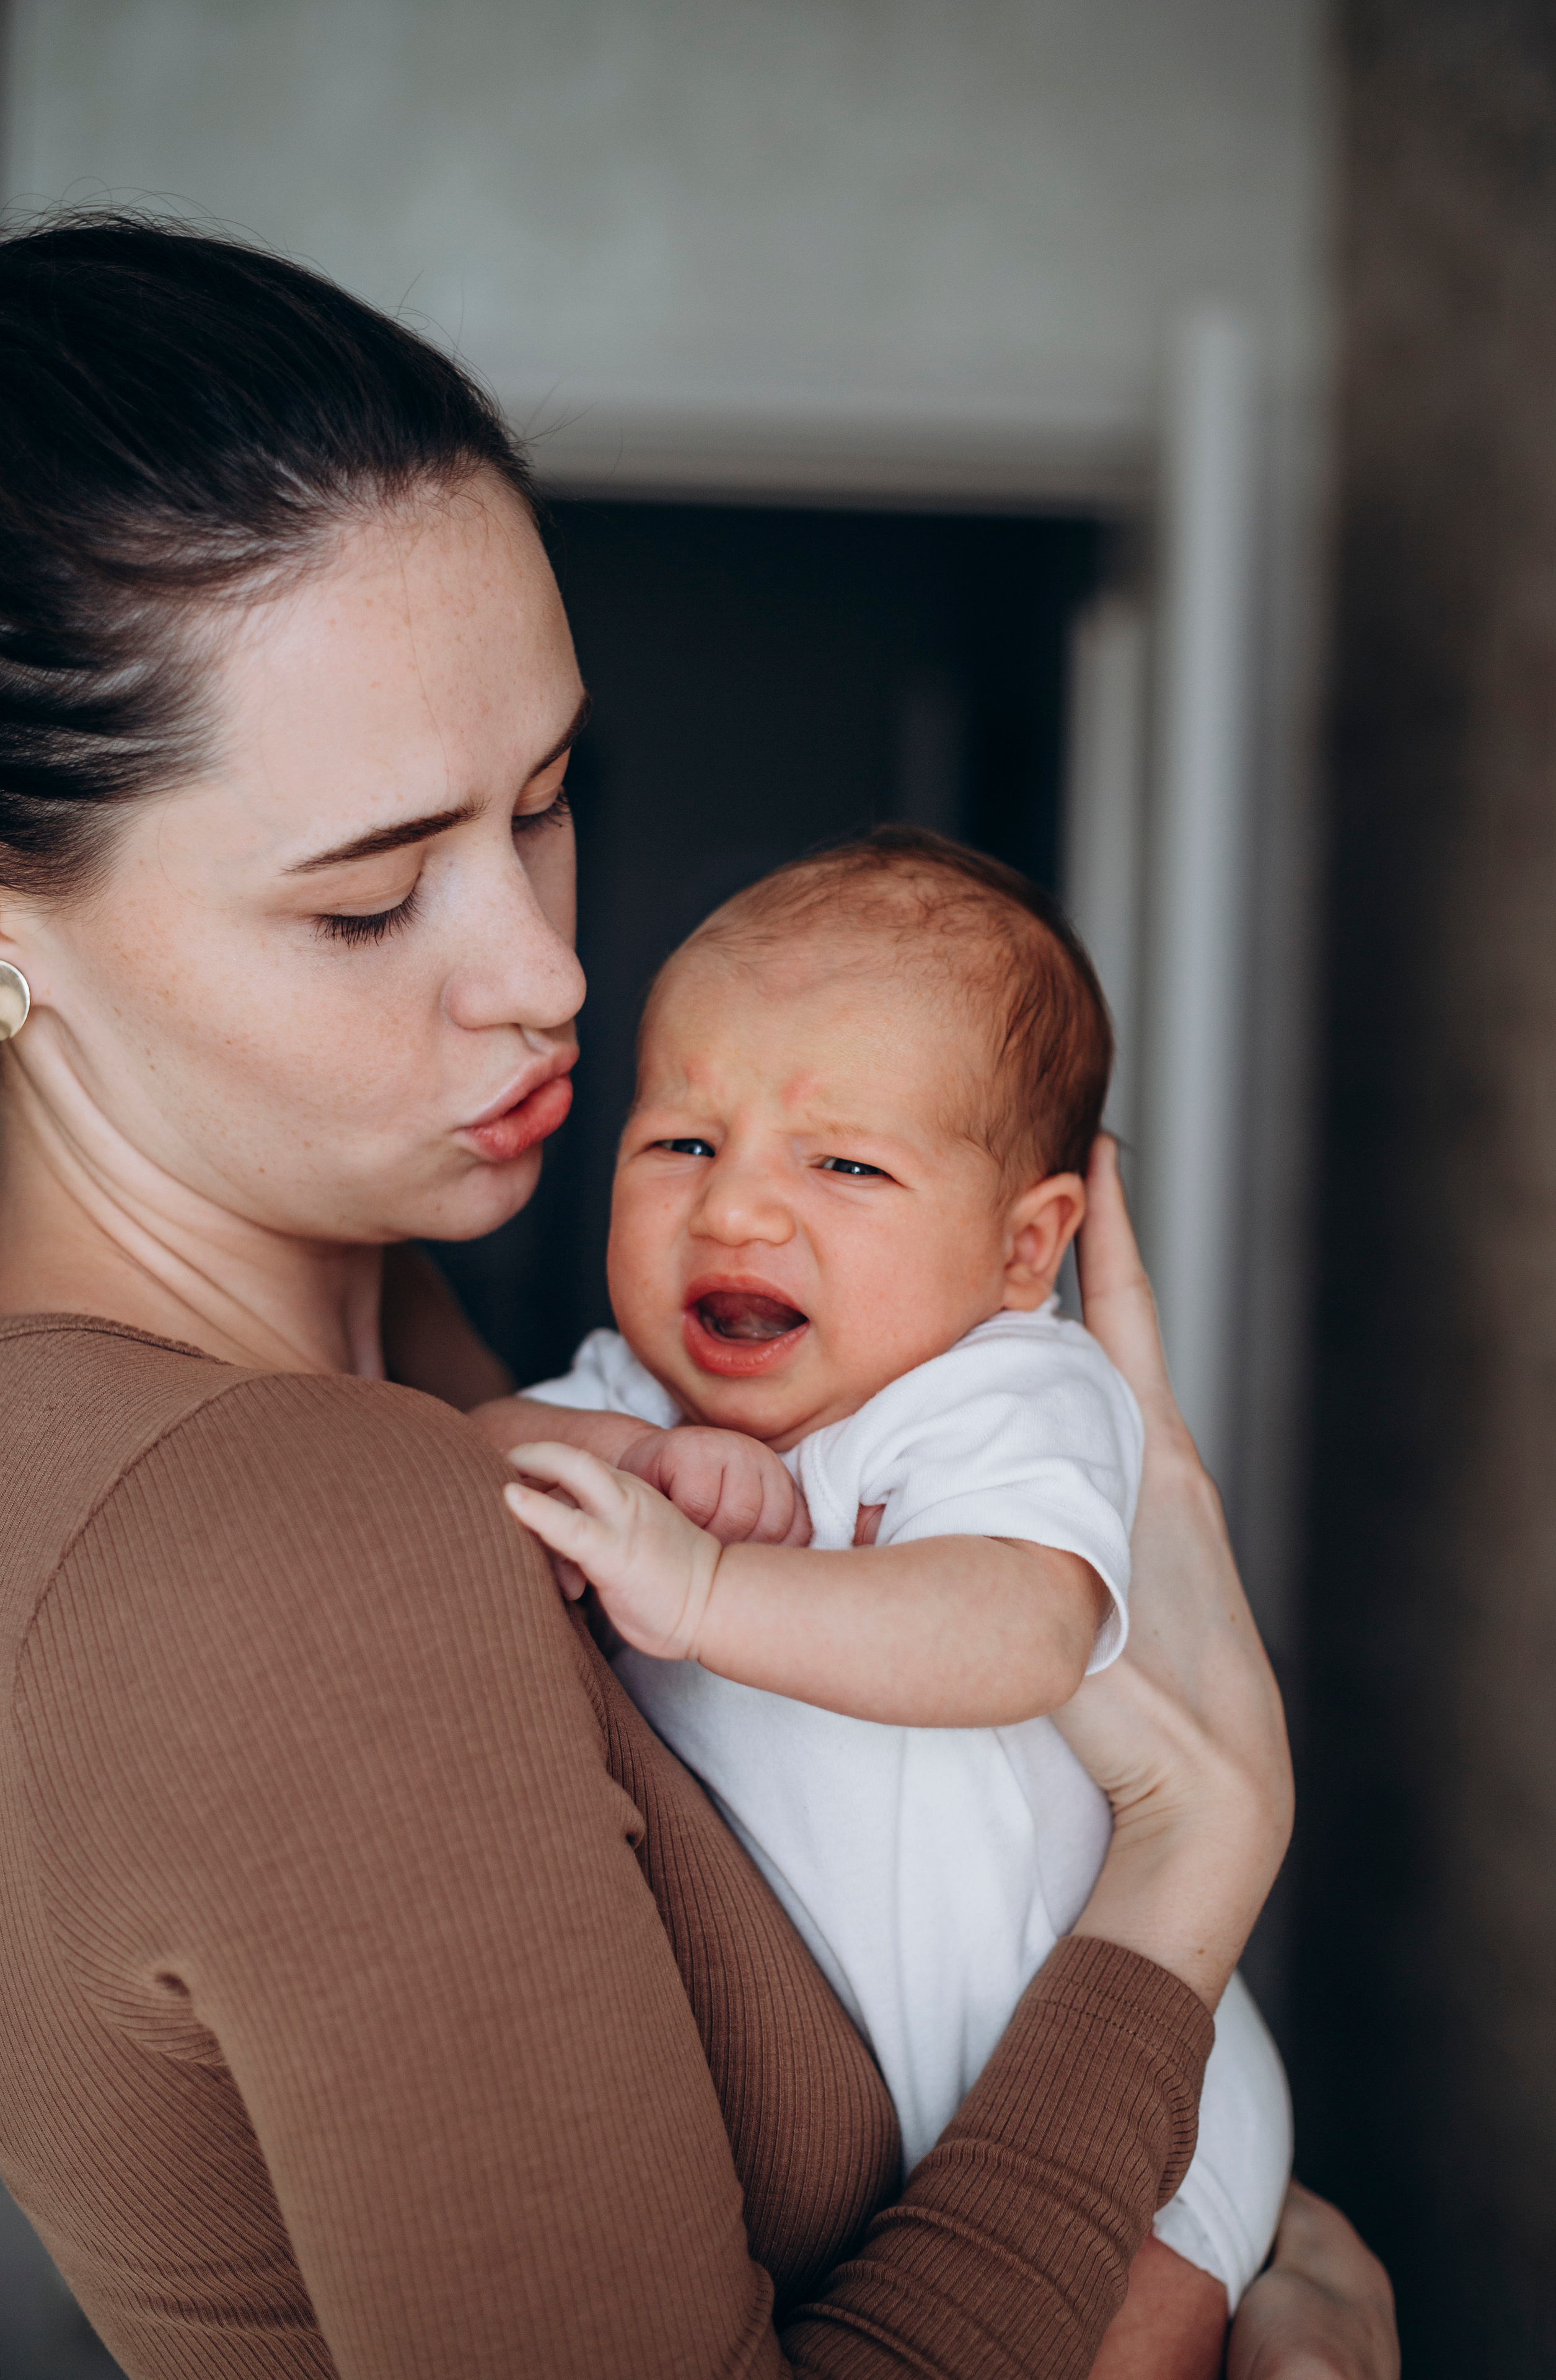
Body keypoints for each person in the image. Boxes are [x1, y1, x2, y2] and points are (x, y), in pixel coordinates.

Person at [0, 212, 1392, 2378]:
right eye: (370, 902)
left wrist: (1254, 2219)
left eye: (550, 803)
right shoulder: (281, 1534)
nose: (551, 974)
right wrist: (1199, 1855)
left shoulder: (425, 1351)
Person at [487, 829, 1291, 2311]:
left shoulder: (998, 1391)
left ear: (1024, 1248)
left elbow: (1024, 1627)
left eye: (845, 1163)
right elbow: (470, 1462)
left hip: (1128, 2110)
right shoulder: (632, 1393)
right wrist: (621, 1453)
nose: (734, 1209)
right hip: (872, 2149)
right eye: (681, 1145)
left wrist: (710, 1594)